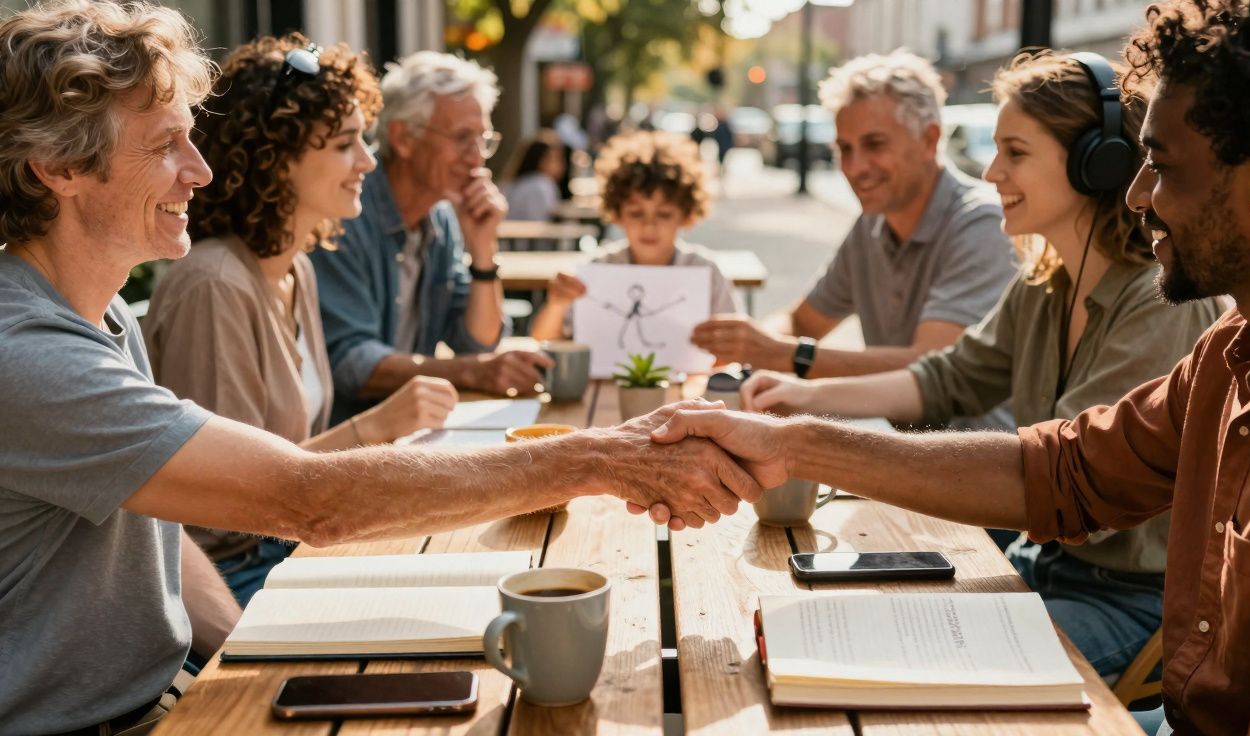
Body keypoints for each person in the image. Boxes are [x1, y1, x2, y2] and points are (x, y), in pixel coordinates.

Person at [0, 3, 759, 731]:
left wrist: (242, 650)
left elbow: (162, 530)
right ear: (57, 169)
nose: (198, 170)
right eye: (164, 145)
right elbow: (304, 499)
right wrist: (602, 458)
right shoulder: (31, 354)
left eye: (192, 139)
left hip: (160, 691)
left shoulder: (97, 314)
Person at [639, 0, 1250, 731]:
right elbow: (1060, 471)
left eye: (1162, 166)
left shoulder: (1177, 320)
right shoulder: (1227, 356)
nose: (1138, 195)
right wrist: (794, 440)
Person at [739, 50, 1224, 679]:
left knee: (906, 665)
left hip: (1124, 599)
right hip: (1037, 564)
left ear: (1097, 162)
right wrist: (800, 395)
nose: (992, 171)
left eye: (1016, 153)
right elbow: (948, 377)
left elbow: (1065, 485)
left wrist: (808, 443)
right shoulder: (1044, 284)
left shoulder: (1159, 305)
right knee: (832, 624)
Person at [144, 36, 461, 606]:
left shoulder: (296, 271)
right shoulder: (216, 283)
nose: (367, 161)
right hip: (232, 582)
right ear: (275, 156)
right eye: (346, 144)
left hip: (294, 548)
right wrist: (375, 427)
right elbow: (226, 507)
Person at [691, 51, 1015, 401]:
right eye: (844, 148)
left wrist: (785, 356)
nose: (855, 167)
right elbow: (802, 323)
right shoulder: (873, 223)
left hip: (983, 448)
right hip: (909, 444)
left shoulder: (983, 223)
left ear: (929, 140)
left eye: (875, 144)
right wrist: (746, 349)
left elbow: (930, 367)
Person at [309, 51, 549, 425]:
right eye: (462, 138)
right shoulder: (343, 211)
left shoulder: (439, 214)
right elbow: (352, 364)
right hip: (343, 441)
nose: (477, 158)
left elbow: (476, 342)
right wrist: (473, 372)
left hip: (405, 434)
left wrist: (484, 250)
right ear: (403, 138)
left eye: (483, 139)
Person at [529, 131, 738, 341]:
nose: (649, 225)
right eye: (636, 213)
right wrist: (557, 304)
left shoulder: (706, 272)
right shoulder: (596, 269)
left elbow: (734, 345)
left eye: (664, 214)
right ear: (618, 214)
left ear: (686, 215)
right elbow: (544, 341)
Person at [502, 130, 565, 228]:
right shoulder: (541, 184)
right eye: (555, 159)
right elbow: (540, 226)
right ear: (541, 161)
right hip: (525, 241)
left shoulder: (516, 182)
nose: (561, 165)